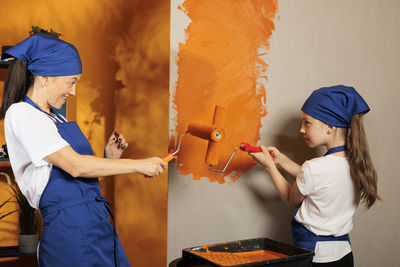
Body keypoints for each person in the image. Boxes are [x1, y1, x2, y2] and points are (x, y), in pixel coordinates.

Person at [0, 33, 167, 267]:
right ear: (45, 77)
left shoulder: (55, 119)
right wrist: (139, 164)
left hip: (95, 224)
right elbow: (75, 166)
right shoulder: (21, 114)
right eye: (72, 81)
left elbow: (74, 177)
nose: (73, 92)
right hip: (70, 231)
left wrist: (107, 158)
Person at [249, 85, 379, 267]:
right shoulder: (356, 162)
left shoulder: (314, 168)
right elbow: (316, 181)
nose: (301, 130)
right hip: (343, 254)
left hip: (315, 257)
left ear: (330, 127)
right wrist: (282, 160)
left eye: (307, 122)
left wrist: (269, 167)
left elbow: (291, 199)